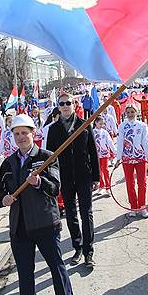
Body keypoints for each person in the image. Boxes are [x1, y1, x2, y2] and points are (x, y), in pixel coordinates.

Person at [0, 113, 76, 295]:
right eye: (17, 134)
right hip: (20, 228)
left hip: (45, 223)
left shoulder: (47, 157)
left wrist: (39, 183)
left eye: (24, 133)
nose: (21, 138)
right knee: (25, 274)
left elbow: (55, 188)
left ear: (33, 134)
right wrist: (3, 199)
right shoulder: (8, 163)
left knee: (56, 266)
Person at [46, 92, 100, 268]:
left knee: (87, 213)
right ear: (58, 107)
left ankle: (88, 251)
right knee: (70, 214)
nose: (65, 106)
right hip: (65, 178)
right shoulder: (53, 129)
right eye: (61, 104)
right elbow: (50, 157)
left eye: (68, 103)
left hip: (84, 175)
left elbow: (93, 151)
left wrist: (96, 177)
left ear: (74, 103)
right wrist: (52, 180)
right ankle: (77, 246)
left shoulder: (84, 124)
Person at [113, 104, 148, 217]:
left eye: (132, 112)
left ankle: (142, 206)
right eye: (128, 112)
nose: (130, 114)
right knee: (130, 183)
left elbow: (145, 142)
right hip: (127, 158)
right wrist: (118, 158)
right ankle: (133, 207)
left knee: (142, 183)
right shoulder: (122, 126)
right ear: (125, 113)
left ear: (136, 112)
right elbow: (120, 142)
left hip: (140, 158)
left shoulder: (142, 125)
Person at [92, 115, 115, 192]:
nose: (102, 125)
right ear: (95, 123)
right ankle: (101, 186)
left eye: (103, 124)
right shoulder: (92, 132)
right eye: (100, 123)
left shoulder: (105, 132)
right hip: (96, 155)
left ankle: (108, 186)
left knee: (105, 170)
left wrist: (115, 152)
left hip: (104, 154)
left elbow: (110, 142)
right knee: (99, 171)